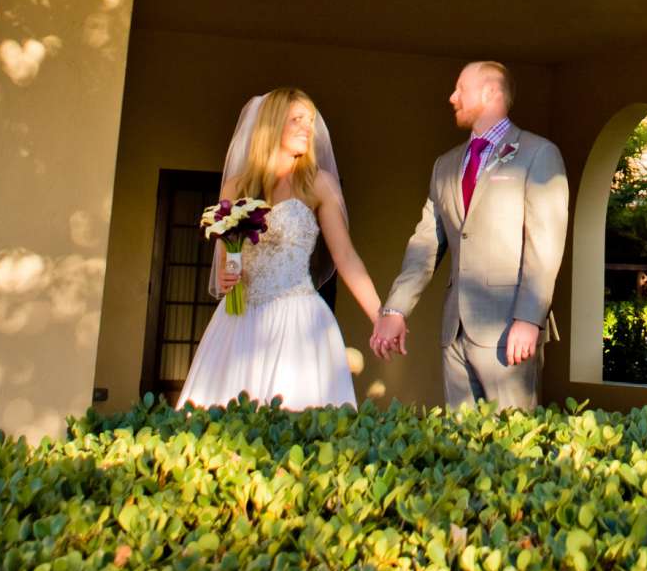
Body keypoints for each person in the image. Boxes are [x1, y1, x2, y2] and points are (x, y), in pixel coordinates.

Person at [370, 60, 568, 410]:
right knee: (460, 445)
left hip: (509, 330)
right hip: (455, 331)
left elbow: (545, 245)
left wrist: (529, 318)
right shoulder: (445, 165)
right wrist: (395, 310)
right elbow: (425, 244)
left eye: (460, 88)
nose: (451, 97)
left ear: (491, 92)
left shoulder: (538, 154)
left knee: (514, 443)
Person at [180, 86, 383, 411]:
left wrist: (380, 316)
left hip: (299, 321)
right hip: (240, 321)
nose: (308, 128)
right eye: (297, 119)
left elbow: (345, 257)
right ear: (273, 124)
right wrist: (229, 273)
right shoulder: (236, 187)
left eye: (311, 120)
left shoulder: (319, 185)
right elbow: (225, 260)